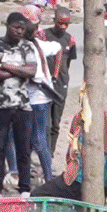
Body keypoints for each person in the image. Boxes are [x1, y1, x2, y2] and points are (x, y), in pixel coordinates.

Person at [0, 11, 37, 197]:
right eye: (16, 27)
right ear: (7, 26)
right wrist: (18, 71)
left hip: (23, 105)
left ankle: (25, 188)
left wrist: (5, 66)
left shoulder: (27, 47)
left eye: (22, 28)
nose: (19, 31)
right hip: (0, 103)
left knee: (24, 148)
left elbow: (31, 72)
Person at [33, 108, 107, 201]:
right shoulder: (79, 117)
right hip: (73, 179)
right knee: (37, 196)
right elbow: (71, 150)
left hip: (96, 184)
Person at [25, 6, 60, 186]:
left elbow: (32, 73)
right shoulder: (38, 44)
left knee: (38, 139)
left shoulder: (29, 46)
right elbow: (57, 47)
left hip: (36, 99)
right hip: (41, 98)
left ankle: (48, 178)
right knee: (35, 138)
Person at [43, 8, 77, 157]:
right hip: (44, 84)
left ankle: (50, 152)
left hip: (61, 85)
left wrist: (61, 77)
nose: (62, 27)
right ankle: (42, 150)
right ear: (54, 21)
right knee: (44, 121)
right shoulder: (44, 36)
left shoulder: (70, 40)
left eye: (66, 24)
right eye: (59, 23)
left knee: (55, 122)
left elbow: (67, 63)